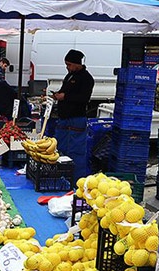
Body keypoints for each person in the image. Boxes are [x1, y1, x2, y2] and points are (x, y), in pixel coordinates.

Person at [51, 49, 95, 180]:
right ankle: (61, 178)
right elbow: (64, 91)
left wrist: (65, 96)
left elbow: (83, 98)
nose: (67, 67)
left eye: (69, 64)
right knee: (60, 150)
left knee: (76, 152)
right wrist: (57, 95)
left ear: (77, 64)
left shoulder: (87, 78)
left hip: (76, 120)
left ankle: (76, 181)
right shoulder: (69, 76)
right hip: (64, 120)